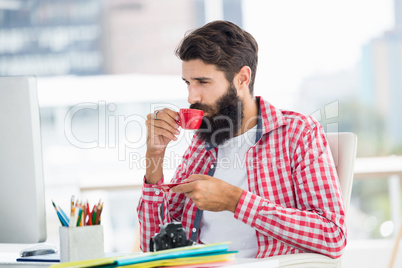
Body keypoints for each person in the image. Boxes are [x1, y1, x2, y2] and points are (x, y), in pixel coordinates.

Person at [137, 20, 346, 259]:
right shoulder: (202, 143)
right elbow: (152, 246)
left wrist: (234, 200)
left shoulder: (298, 133)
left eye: (203, 82)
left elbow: (332, 236)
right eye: (188, 82)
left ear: (242, 79)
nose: (191, 96)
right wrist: (154, 157)